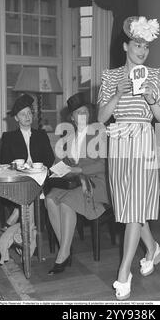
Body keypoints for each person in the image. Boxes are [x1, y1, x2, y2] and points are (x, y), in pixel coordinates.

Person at [97, 16, 160, 300]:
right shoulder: (110, 76)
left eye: (147, 47)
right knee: (129, 208)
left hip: (143, 142)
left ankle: (123, 273)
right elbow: (101, 117)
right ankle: (152, 249)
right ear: (126, 45)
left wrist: (153, 101)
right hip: (118, 144)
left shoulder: (157, 76)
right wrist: (116, 96)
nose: (142, 51)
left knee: (135, 209)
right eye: (138, 45)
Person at [45, 92, 109, 275]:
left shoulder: (99, 132)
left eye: (85, 112)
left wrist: (80, 171)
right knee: (49, 200)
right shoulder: (68, 135)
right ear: (71, 118)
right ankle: (66, 248)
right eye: (78, 113)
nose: (83, 115)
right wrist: (58, 168)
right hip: (73, 182)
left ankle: (63, 254)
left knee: (66, 203)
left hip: (96, 182)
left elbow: (104, 164)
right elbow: (60, 159)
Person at [0, 93, 55, 228]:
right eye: (23, 114)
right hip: (19, 179)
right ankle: (29, 237)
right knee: (29, 189)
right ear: (16, 118)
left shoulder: (41, 135)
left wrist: (40, 168)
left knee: (31, 186)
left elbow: (50, 158)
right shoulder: (8, 137)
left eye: (29, 113)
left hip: (39, 178)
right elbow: (4, 161)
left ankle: (15, 217)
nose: (27, 117)